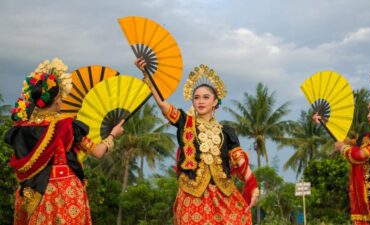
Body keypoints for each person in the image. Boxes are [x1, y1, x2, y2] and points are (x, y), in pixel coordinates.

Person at [135, 58, 259, 225]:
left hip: (223, 194)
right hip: (192, 193)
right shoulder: (185, 122)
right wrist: (147, 76)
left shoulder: (226, 131)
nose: (200, 101)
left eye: (206, 97)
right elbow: (164, 106)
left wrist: (253, 186)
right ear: (192, 101)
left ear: (215, 102)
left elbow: (241, 161)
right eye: (196, 97)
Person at [4, 58, 124, 224]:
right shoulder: (67, 126)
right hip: (67, 194)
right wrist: (112, 135)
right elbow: (97, 152)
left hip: (36, 195)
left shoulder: (21, 131)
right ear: (57, 99)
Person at [313, 74, 370, 224]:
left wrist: (342, 148)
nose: (368, 115)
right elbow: (354, 143)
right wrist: (325, 122)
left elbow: (360, 154)